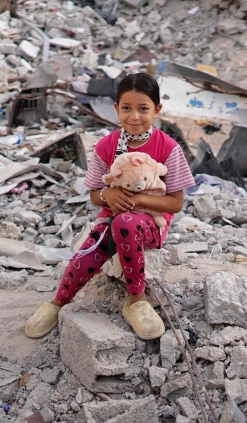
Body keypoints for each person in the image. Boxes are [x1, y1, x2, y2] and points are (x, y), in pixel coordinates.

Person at [24, 72, 194, 340]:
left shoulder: (169, 148)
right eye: (126, 108)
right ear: (116, 109)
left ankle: (136, 301)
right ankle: (58, 302)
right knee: (88, 251)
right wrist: (107, 195)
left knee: (126, 223)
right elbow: (94, 193)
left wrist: (136, 201)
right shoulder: (107, 146)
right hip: (112, 218)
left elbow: (176, 202)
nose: (134, 117)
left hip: (149, 223)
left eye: (143, 109)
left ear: (157, 110)